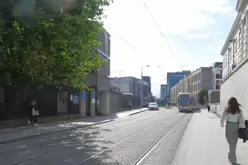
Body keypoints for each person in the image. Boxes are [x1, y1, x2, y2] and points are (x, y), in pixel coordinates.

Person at [220, 97, 245, 165]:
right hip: (236, 127)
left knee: (233, 144)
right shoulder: (238, 111)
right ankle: (233, 159)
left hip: (229, 127)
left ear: (229, 103)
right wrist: (244, 126)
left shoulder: (228, 110)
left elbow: (222, 118)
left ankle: (232, 158)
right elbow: (243, 119)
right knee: (232, 144)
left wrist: (222, 124)